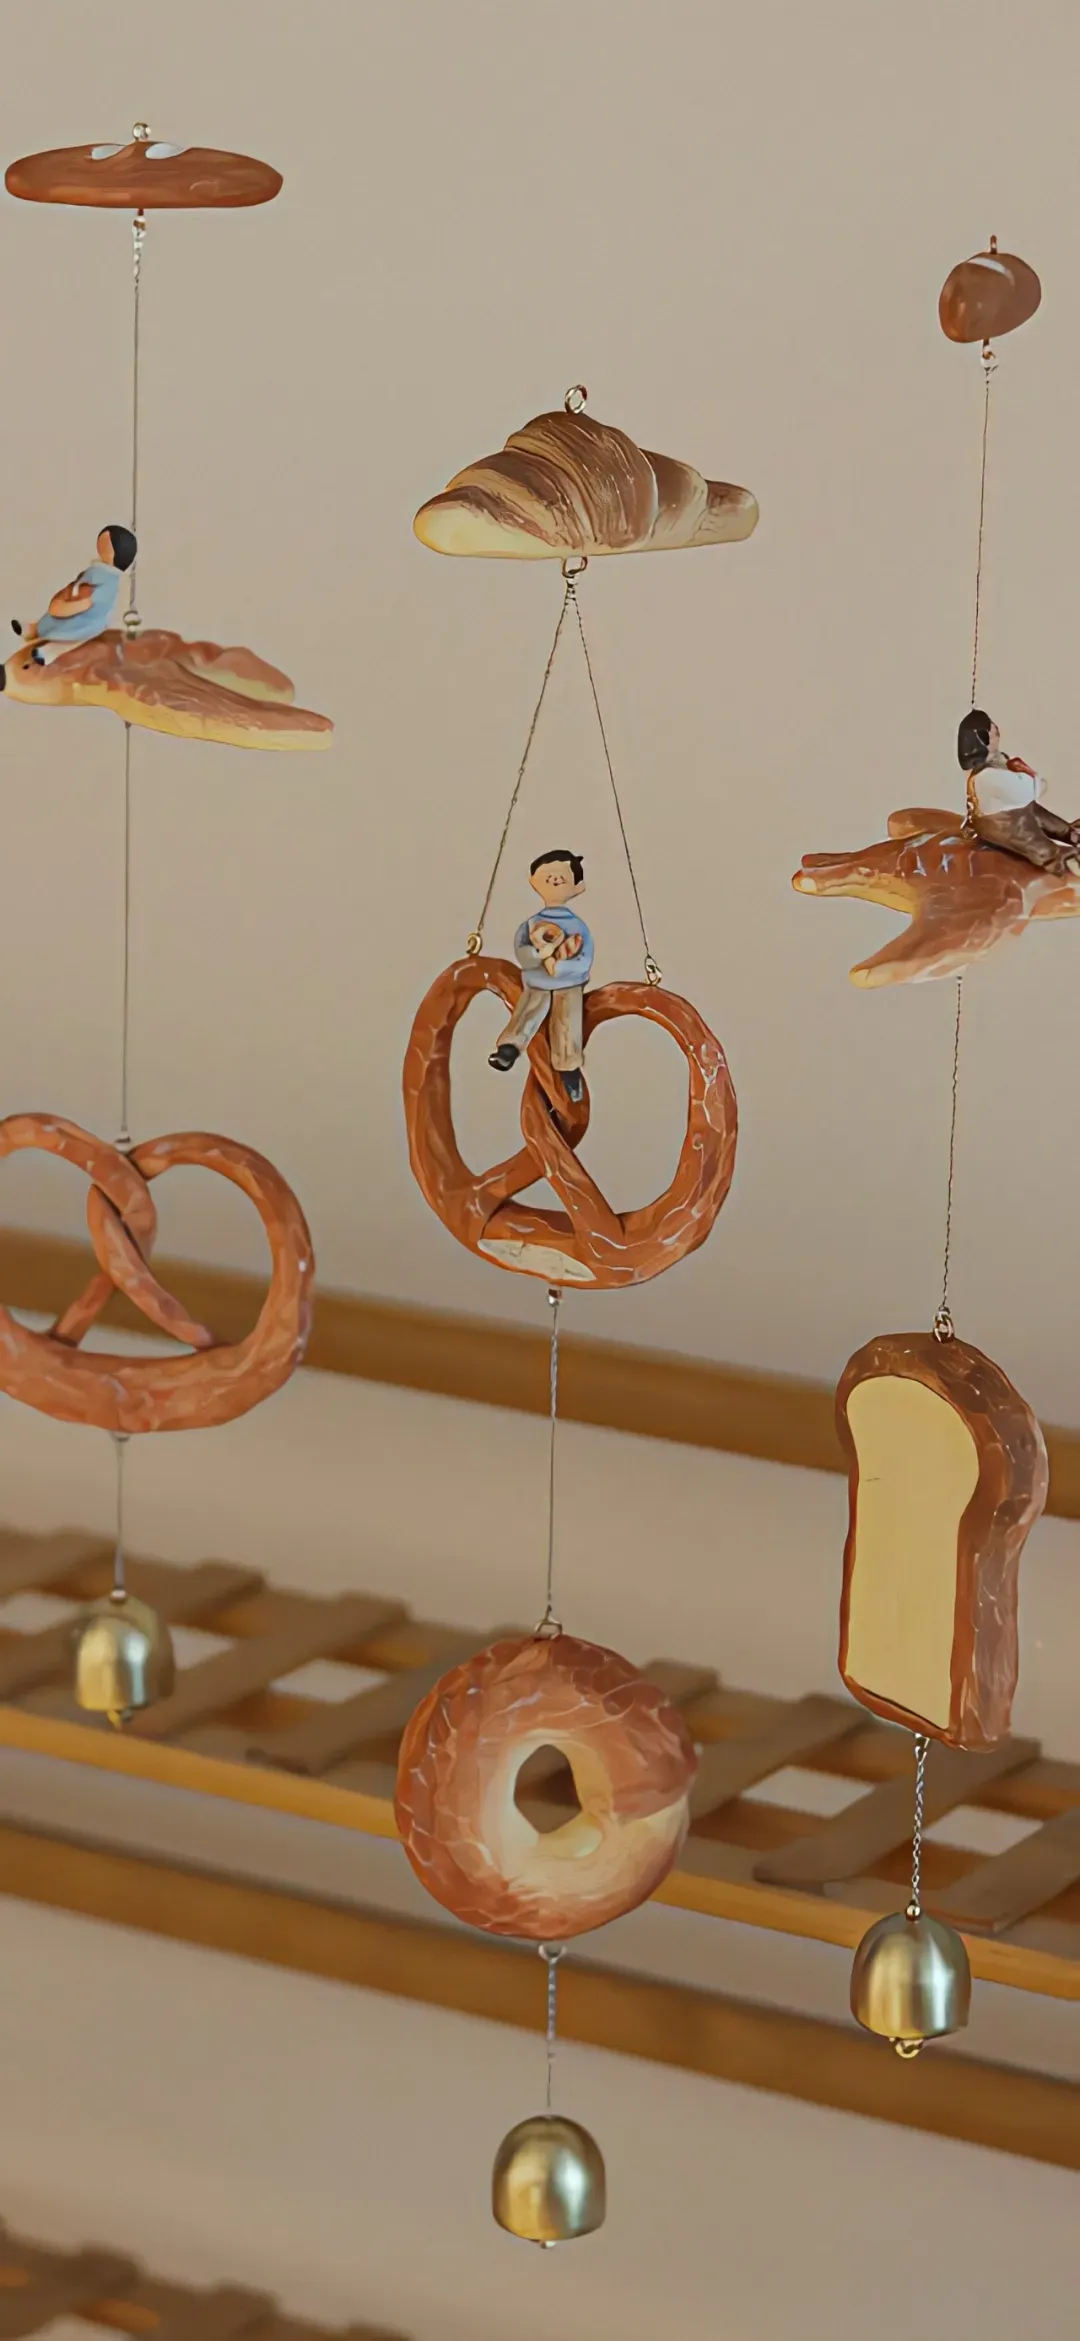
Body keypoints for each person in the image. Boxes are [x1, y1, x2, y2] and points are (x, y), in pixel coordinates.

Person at [488, 849, 593, 1104]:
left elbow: (584, 958)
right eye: (548, 877)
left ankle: (568, 1069)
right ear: (533, 881)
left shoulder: (578, 927)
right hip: (538, 981)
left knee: (567, 1022)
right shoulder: (531, 924)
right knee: (528, 1009)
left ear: (578, 887)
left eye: (562, 878)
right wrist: (539, 955)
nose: (555, 881)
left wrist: (561, 968)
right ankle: (510, 1047)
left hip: (569, 984)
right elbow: (522, 950)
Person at [960, 708, 1080, 876]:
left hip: (1019, 811)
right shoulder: (987, 776)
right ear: (983, 738)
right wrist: (1029, 776)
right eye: (992, 730)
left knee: (1041, 815)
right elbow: (1027, 791)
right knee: (1038, 845)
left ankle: (1070, 834)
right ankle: (1062, 863)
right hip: (1004, 823)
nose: (996, 731)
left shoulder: (997, 763)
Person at [12, 524, 137, 665]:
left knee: (71, 637)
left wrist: (74, 605)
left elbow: (92, 599)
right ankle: (33, 629)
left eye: (106, 544)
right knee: (52, 620)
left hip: (87, 619)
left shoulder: (110, 582)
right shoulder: (98, 569)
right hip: (74, 602)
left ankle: (48, 652)